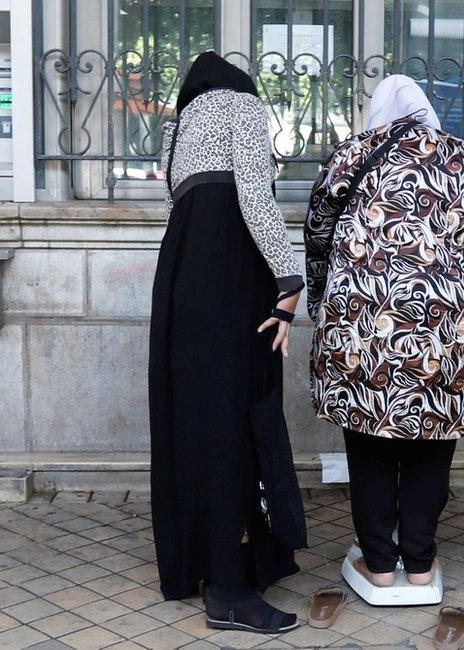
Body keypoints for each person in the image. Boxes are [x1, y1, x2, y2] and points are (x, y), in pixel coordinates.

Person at [305, 75, 464, 589]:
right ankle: (421, 563)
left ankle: (379, 565)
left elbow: (317, 234)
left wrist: (320, 301)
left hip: (361, 326)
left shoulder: (349, 157)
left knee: (368, 443)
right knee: (433, 442)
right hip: (451, 329)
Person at [148, 52, 305, 633]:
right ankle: (231, 593)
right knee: (238, 422)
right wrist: (290, 281)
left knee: (199, 422)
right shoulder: (241, 105)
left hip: (183, 282)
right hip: (230, 280)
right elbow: (255, 200)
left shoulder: (179, 127)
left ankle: (215, 563)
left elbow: (186, 204)